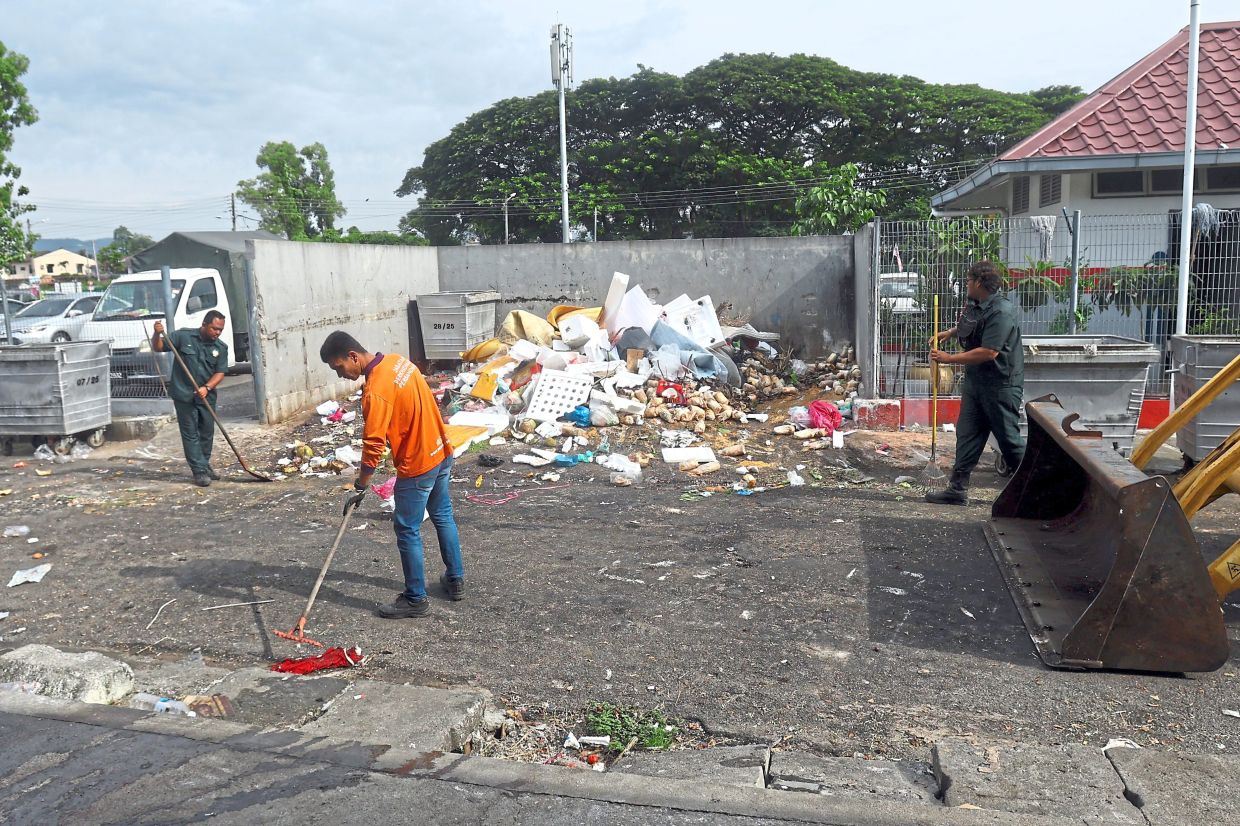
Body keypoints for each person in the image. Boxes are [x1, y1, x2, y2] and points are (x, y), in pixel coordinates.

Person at [319, 330, 464, 618]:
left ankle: (415, 598)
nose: (340, 374)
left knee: (407, 529)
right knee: (442, 515)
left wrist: (361, 485)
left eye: (338, 367)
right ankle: (455, 580)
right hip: (441, 450)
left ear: (352, 356)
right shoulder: (400, 363)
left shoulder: (375, 390)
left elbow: (373, 444)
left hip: (418, 464)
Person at [925, 261, 1024, 506]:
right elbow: (972, 325)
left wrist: (949, 358)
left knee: (1009, 441)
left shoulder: (1002, 311)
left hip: (1000, 386)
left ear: (979, 282)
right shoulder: (978, 305)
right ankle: (957, 490)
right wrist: (950, 333)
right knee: (967, 434)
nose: (966, 284)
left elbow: (989, 351)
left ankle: (1033, 489)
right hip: (976, 384)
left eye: (969, 280)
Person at [153, 312, 228, 487]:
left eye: (220, 330)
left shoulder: (221, 348)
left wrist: (207, 387)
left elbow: (220, 372)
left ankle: (204, 463)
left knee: (207, 432)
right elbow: (158, 347)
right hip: (184, 395)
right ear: (204, 324)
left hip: (206, 396)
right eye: (214, 328)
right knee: (190, 434)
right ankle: (199, 471)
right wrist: (157, 333)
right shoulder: (183, 336)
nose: (217, 333)